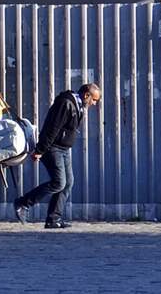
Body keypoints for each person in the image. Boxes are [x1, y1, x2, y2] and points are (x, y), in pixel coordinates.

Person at [14, 83, 101, 228]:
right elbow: (52, 128)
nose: (94, 103)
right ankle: (23, 203)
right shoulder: (66, 103)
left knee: (68, 183)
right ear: (87, 95)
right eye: (94, 100)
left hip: (63, 149)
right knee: (59, 182)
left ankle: (54, 219)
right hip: (53, 148)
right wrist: (40, 150)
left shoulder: (77, 105)